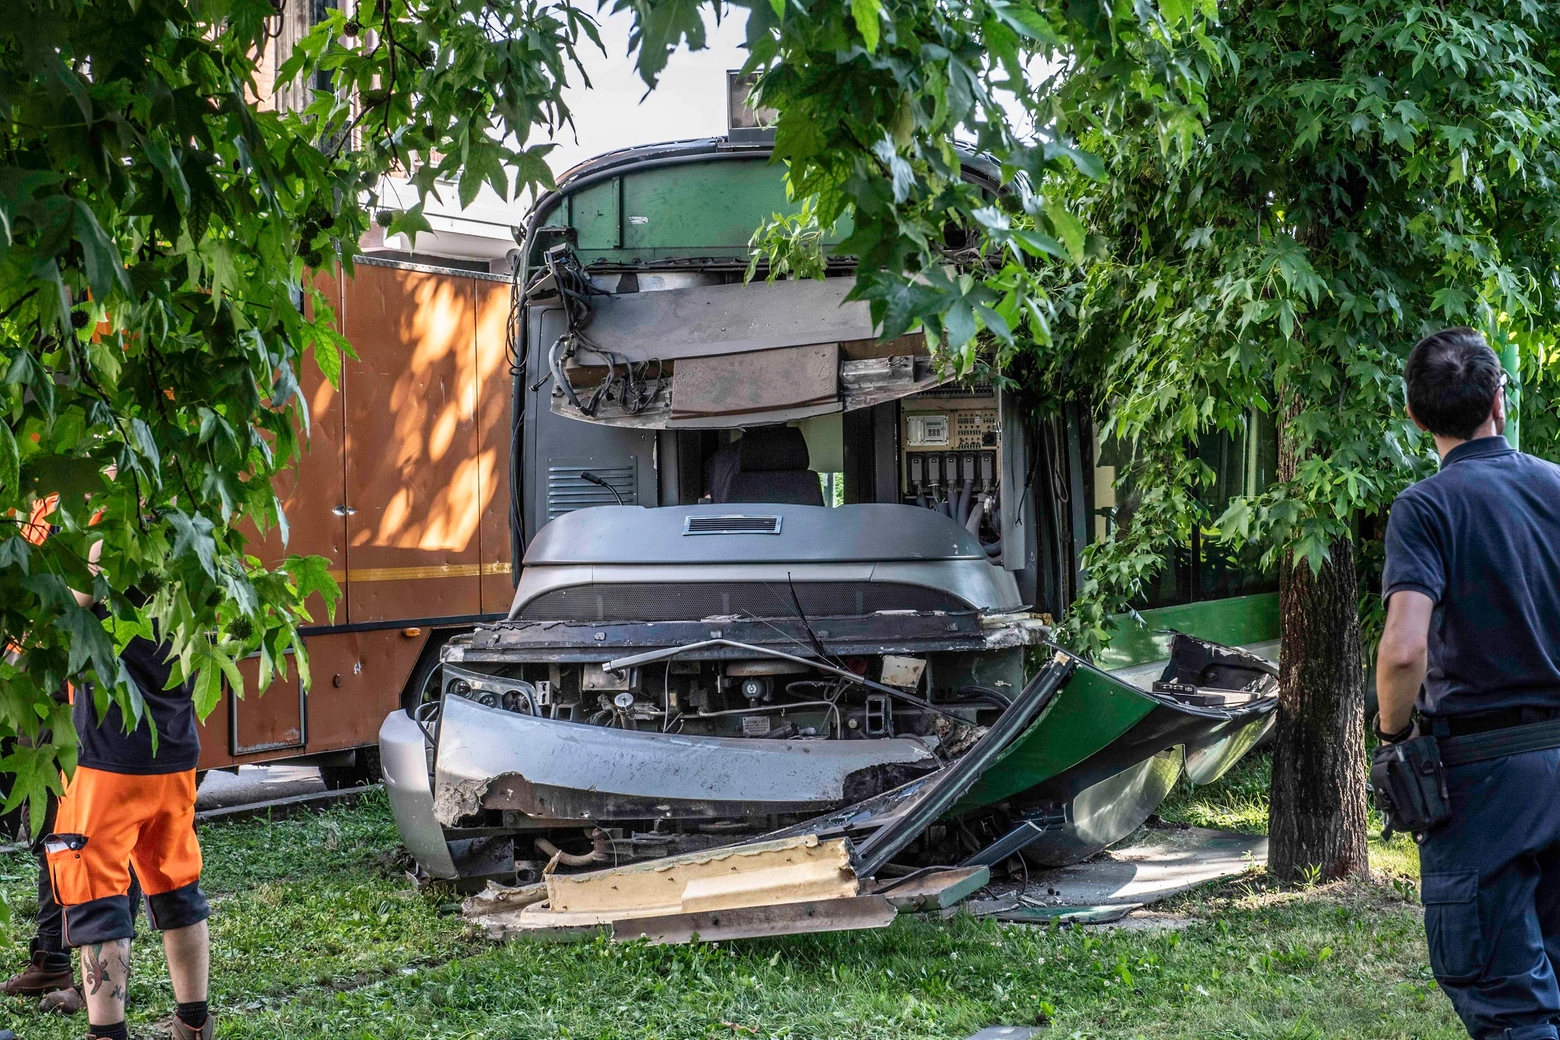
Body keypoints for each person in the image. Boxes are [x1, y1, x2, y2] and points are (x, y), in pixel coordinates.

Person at [1376, 326, 1560, 1040]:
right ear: (1498, 401)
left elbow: (1402, 650)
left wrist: (1395, 739)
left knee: (1507, 1001)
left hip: (1483, 779)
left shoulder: (1425, 508)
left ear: (1416, 418)